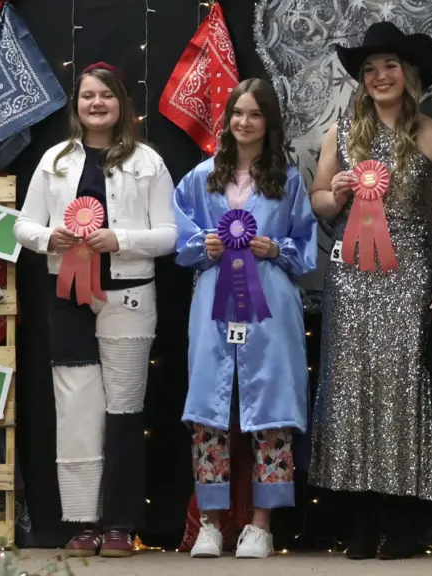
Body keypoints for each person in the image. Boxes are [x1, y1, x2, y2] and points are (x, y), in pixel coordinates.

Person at [307, 21, 432, 560]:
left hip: (411, 276)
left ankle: (403, 521)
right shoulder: (340, 133)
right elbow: (319, 200)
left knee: (403, 393)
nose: (379, 76)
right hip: (352, 279)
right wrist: (336, 192)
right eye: (370, 69)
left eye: (389, 66)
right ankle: (360, 521)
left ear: (408, 74)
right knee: (350, 394)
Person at [12, 62, 176, 557]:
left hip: (129, 298)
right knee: (76, 408)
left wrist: (120, 239)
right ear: (77, 105)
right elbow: (22, 225)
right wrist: (50, 237)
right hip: (67, 300)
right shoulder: (55, 161)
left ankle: (121, 524)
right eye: (88, 96)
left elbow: (170, 235)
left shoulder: (148, 162)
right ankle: (84, 522)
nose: (96, 103)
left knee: (124, 409)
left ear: (122, 104)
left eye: (106, 95)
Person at [172, 78, 317, 559]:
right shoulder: (200, 178)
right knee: (208, 410)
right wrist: (204, 245)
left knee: (271, 407)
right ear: (227, 118)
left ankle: (261, 524)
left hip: (271, 307)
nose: (245, 122)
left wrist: (276, 248)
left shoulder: (288, 180)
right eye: (237, 112)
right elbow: (181, 240)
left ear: (268, 121)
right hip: (213, 305)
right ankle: (210, 522)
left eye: (255, 114)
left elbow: (306, 249)